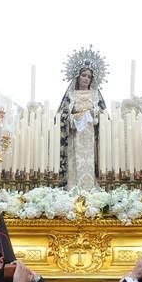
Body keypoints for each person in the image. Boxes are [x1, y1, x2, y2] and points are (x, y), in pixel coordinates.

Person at [57, 51, 107, 189]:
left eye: (89, 77)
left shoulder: (95, 95)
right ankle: (74, 189)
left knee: (91, 162)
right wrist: (75, 118)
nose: (86, 79)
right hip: (75, 136)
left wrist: (94, 113)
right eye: (83, 75)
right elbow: (62, 116)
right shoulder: (71, 95)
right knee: (76, 164)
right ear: (78, 77)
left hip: (92, 136)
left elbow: (104, 115)